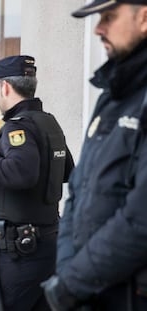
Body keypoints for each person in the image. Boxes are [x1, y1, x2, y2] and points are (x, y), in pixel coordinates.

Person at [41, 1, 147, 310]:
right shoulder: (111, 98)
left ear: (144, 18)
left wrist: (73, 281)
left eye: (109, 17)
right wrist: (67, 270)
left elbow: (140, 217)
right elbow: (78, 189)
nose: (99, 28)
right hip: (89, 291)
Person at [0, 55, 74, 311]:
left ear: (4, 86)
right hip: (46, 243)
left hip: (18, 252)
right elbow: (67, 171)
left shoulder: (18, 128)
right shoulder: (49, 123)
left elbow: (21, 173)